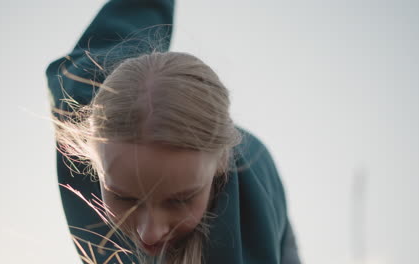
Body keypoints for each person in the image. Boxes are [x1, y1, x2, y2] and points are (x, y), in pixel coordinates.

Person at [46, 0, 301, 263]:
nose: (149, 234)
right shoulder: (78, 104)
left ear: (220, 167)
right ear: (91, 156)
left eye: (180, 200)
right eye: (124, 197)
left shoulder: (249, 225)